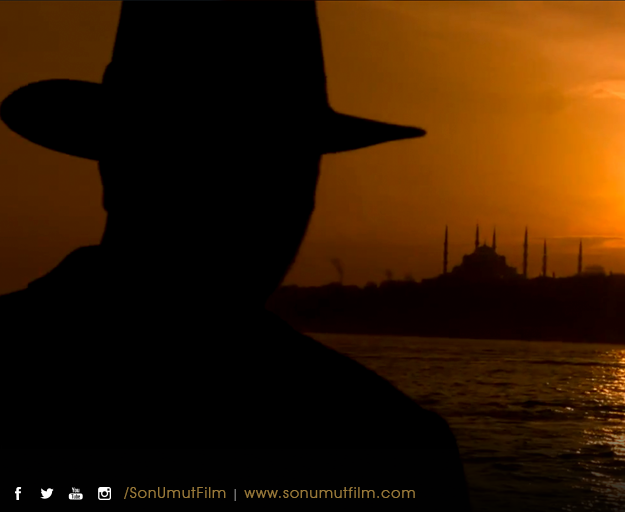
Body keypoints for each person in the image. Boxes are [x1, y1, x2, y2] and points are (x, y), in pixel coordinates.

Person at [1, 2, 471, 507]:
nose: (261, 206)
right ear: (122, 167)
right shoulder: (378, 440)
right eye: (220, 165)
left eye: (284, 170)